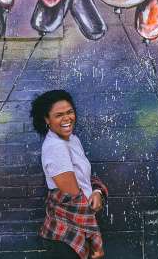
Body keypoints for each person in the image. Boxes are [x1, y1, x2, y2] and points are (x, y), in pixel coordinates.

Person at [31, 90, 108, 259]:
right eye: (59, 115)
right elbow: (76, 201)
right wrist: (96, 240)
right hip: (67, 236)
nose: (67, 118)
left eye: (70, 112)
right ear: (47, 120)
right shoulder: (55, 147)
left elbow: (84, 179)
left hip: (79, 229)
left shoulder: (72, 139)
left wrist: (97, 191)